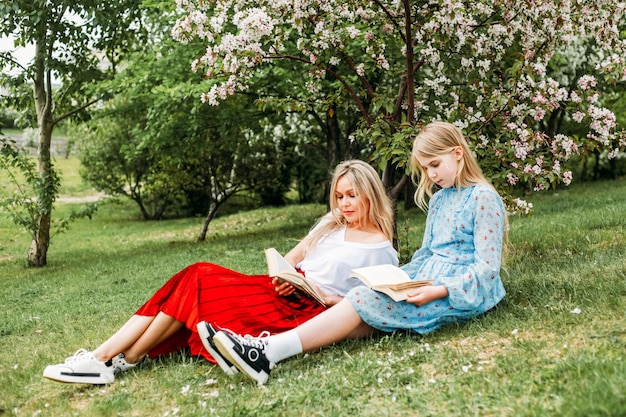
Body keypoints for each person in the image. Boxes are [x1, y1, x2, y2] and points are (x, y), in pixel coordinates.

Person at [43, 160, 398, 384]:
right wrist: (285, 274)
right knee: (190, 282)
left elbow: (366, 308)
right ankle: (111, 358)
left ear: (369, 194)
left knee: (196, 277)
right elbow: (297, 253)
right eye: (339, 196)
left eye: (352, 196)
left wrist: (320, 294)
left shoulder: (380, 247)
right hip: (278, 291)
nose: (344, 204)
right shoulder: (331, 223)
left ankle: (106, 358)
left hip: (305, 312)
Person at [207, 121, 508, 385]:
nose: (430, 174)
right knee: (366, 301)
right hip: (424, 282)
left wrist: (437, 290)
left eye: (434, 165)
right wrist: (398, 280)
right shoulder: (441, 199)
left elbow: (486, 270)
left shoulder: (483, 198)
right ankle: (266, 352)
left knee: (364, 302)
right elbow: (426, 254)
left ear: (458, 153)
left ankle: (266, 351)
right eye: (425, 168)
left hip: (459, 291)